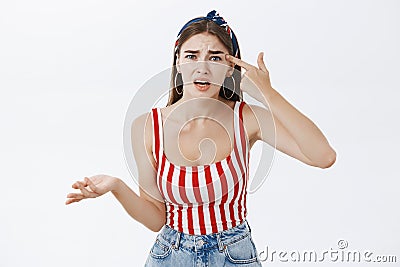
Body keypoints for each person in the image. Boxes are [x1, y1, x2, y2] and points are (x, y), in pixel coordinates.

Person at [65, 10, 336, 266]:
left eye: (216, 58)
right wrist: (116, 186)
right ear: (178, 62)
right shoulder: (147, 126)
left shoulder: (247, 119)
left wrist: (267, 93)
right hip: (170, 257)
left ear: (231, 69)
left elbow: (323, 156)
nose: (202, 67)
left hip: (235, 255)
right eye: (192, 56)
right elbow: (156, 219)